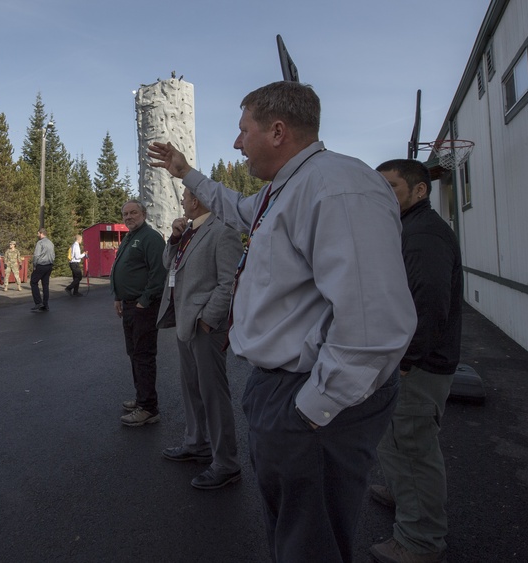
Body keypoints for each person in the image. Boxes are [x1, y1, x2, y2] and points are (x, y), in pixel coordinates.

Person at [148, 81, 416, 562]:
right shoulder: (285, 189)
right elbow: (233, 208)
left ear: (276, 131)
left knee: (309, 540)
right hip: (282, 389)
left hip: (308, 397)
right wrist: (185, 171)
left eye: (242, 130)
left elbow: (374, 325)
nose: (236, 143)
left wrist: (313, 410)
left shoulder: (337, 187)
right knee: (293, 528)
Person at [369, 159, 463, 563]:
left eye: (390, 187)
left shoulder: (424, 234)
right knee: (398, 442)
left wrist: (407, 359)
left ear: (419, 191)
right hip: (409, 359)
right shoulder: (409, 227)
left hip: (418, 365)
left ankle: (419, 540)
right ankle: (399, 492)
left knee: (411, 447)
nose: (382, 195)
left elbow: (428, 301)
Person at [156, 188, 243, 489]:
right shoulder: (189, 231)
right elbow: (169, 264)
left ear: (196, 200)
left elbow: (229, 281)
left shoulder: (223, 231)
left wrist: (208, 320)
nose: (181, 201)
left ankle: (226, 463)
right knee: (191, 388)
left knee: (213, 394)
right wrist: (174, 239)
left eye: (184, 197)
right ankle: (197, 443)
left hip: (204, 326)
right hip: (184, 322)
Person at [110, 200, 167, 426]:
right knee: (134, 353)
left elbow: (159, 273)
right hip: (128, 305)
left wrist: (144, 300)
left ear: (143, 214)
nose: (128, 216)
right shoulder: (130, 237)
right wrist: (117, 296)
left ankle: (149, 408)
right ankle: (141, 398)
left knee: (143, 355)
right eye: (125, 213)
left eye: (133, 212)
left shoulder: (150, 238)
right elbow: (121, 269)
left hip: (143, 307)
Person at [29, 228, 55, 313]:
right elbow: (53, 255)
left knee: (33, 282)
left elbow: (36, 255)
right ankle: (45, 305)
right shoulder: (50, 243)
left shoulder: (40, 243)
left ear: (41, 233)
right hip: (49, 265)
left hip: (41, 265)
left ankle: (38, 302)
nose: (37, 235)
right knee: (45, 285)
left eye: (38, 233)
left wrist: (34, 265)